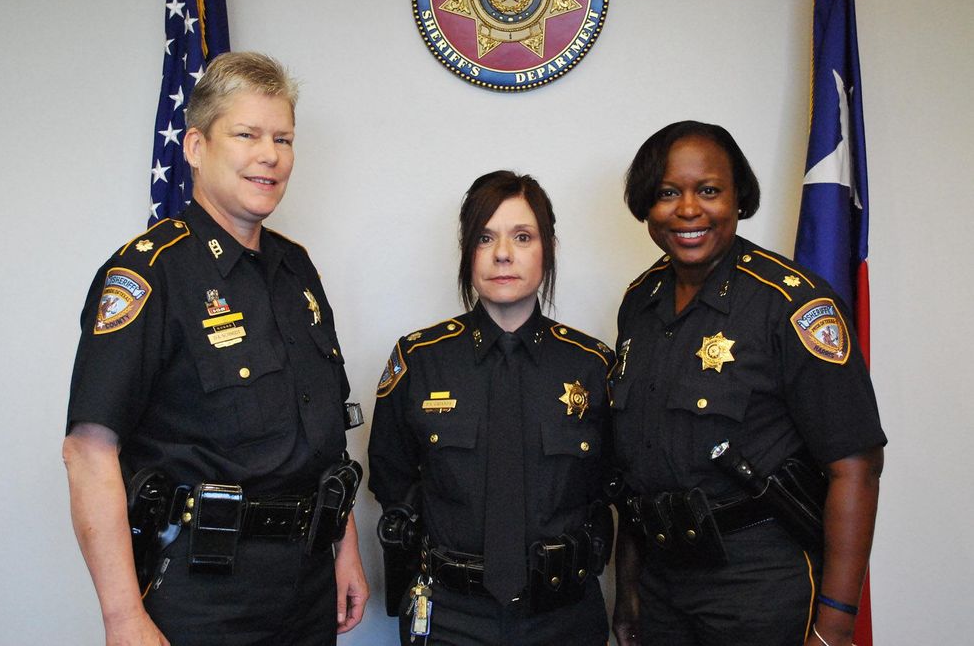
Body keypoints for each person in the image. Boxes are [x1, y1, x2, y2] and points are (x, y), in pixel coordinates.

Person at [62, 52, 368, 645]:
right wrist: (123, 617)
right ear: (197, 147)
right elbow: (88, 453)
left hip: (306, 583)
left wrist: (344, 546)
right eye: (247, 134)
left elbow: (322, 433)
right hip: (202, 589)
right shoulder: (150, 275)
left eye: (283, 138)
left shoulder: (297, 269)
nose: (269, 155)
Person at [610, 121, 886, 646]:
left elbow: (857, 468)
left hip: (760, 579)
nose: (688, 210)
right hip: (663, 583)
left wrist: (833, 626)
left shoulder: (793, 305)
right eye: (669, 193)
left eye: (708, 190)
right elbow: (635, 467)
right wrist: (628, 588)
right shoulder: (639, 303)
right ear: (647, 203)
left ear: (740, 197)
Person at [368, 171, 614, 645]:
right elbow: (391, 475)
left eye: (523, 236)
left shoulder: (592, 365)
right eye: (485, 238)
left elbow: (613, 480)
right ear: (467, 250)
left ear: (550, 248)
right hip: (450, 615)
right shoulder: (420, 360)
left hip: (563, 614)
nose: (503, 253)